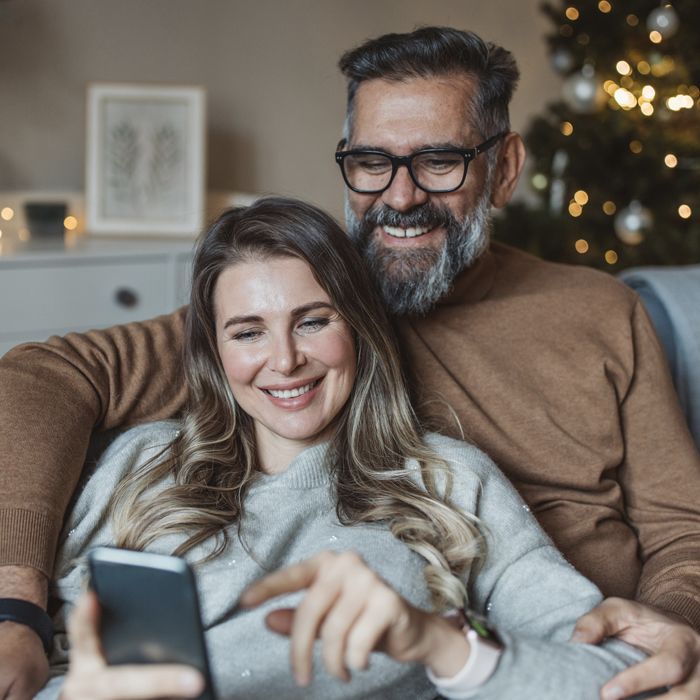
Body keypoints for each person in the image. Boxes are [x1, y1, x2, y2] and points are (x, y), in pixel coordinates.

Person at [1, 25, 699, 700]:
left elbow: (682, 528)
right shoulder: (302, 284)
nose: (400, 197)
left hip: (553, 647)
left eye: (438, 161)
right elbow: (45, 377)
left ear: (504, 167)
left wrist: (674, 623)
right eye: (372, 162)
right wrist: (16, 607)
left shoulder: (601, 316)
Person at [37, 196, 649, 699]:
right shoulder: (140, 469)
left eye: (313, 321)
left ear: (358, 326)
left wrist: (442, 643)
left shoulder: (449, 480)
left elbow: (610, 674)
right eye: (248, 332)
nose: (284, 361)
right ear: (214, 355)